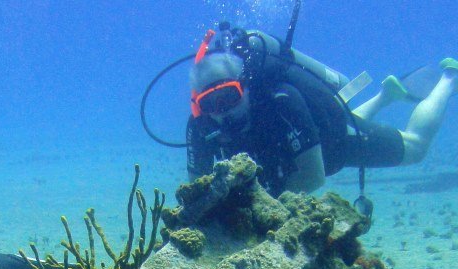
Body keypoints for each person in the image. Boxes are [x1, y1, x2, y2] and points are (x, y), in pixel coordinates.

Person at [186, 25, 457, 198]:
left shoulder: (282, 101)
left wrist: (258, 207)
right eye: (211, 104)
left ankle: (449, 77)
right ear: (199, 106)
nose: (224, 112)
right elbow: (197, 190)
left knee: (416, 148)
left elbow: (313, 177)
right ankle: (386, 95)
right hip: (306, 144)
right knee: (351, 121)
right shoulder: (200, 126)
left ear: (245, 86)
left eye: (229, 96)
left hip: (332, 145)